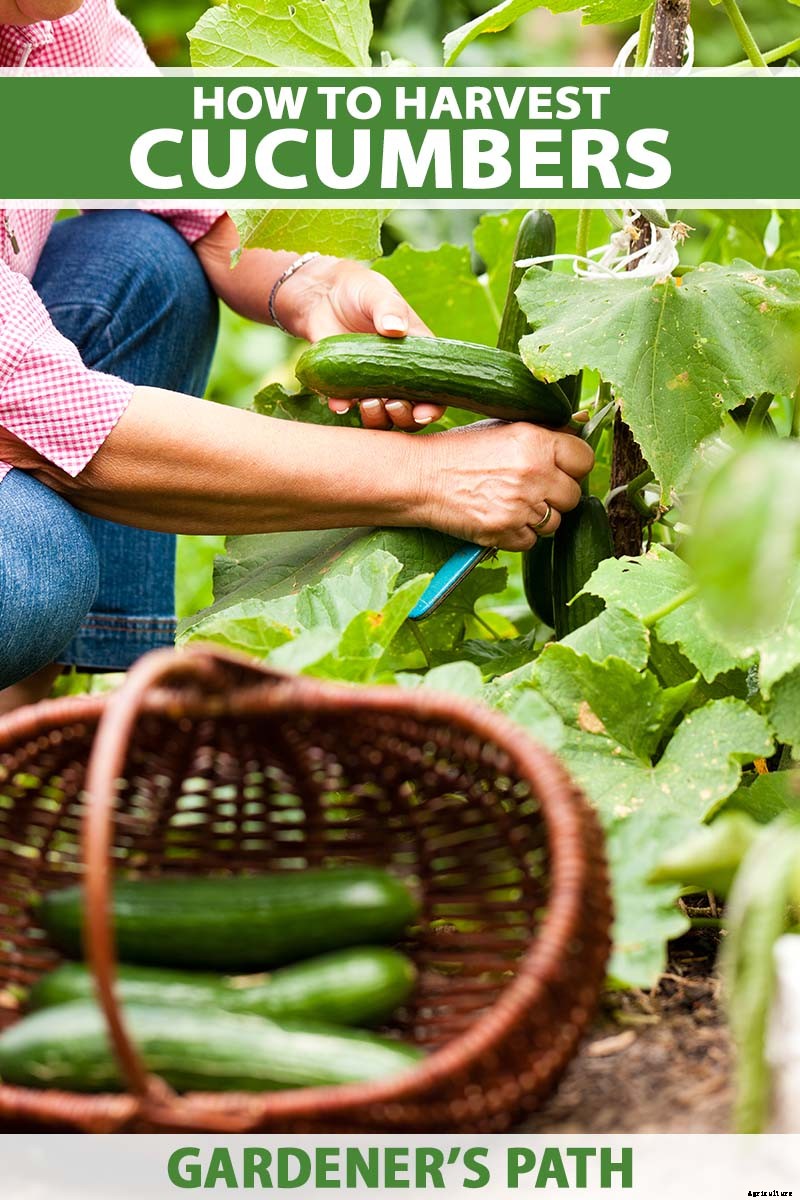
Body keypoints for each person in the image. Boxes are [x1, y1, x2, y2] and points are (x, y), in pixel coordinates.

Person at [0, 0, 594, 705]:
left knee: (145, 265)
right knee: (34, 566)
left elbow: (177, 187)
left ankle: (27, 731)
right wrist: (434, 476)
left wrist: (314, 286)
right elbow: (47, 413)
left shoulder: (50, 15)